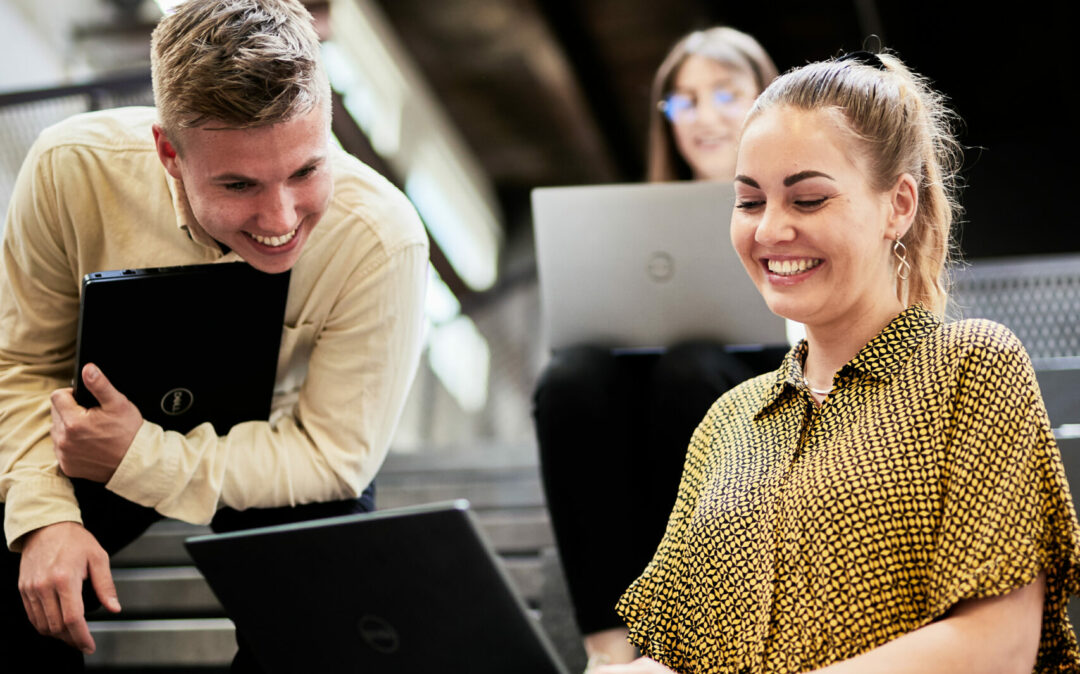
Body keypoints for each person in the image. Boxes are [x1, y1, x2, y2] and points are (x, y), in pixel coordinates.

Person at [597, 50, 1080, 673]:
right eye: (749, 202)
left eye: (807, 200)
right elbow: (670, 659)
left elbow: (998, 646)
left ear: (898, 205)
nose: (769, 231)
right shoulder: (727, 423)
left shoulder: (970, 366)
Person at [0, 0, 427, 669]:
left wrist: (141, 457)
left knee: (321, 590)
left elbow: (334, 457)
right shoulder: (69, 168)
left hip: (277, 445)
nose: (281, 217)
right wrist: (45, 516)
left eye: (306, 170)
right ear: (169, 153)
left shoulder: (382, 239)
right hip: (90, 435)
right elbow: (23, 362)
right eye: (238, 184)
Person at [531, 27, 779, 669]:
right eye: (684, 101)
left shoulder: (798, 204)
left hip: (753, 382)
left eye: (725, 94)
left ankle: (689, 639)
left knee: (690, 369)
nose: (703, 117)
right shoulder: (637, 222)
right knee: (571, 379)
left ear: (764, 98)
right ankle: (608, 651)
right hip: (655, 387)